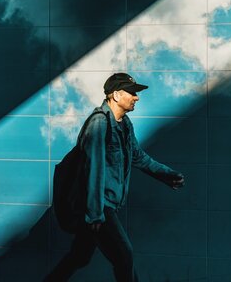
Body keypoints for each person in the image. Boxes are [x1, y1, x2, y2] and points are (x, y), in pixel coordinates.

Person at [45, 73, 185, 282]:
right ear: (116, 95)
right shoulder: (99, 123)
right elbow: (94, 168)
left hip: (103, 205)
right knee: (124, 256)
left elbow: (138, 156)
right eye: (132, 93)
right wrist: (94, 213)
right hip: (98, 206)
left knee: (80, 257)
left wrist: (167, 175)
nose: (136, 97)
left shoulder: (124, 124)